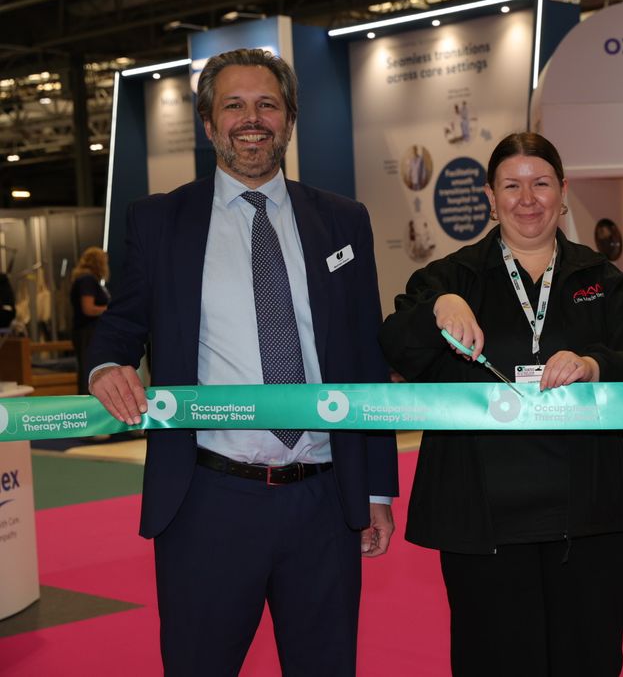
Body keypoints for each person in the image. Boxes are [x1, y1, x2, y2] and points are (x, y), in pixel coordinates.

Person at [87, 49, 398, 677]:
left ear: (289, 121)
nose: (251, 119)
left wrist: (374, 488)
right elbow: (122, 324)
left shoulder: (344, 220)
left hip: (325, 499)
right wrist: (106, 367)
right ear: (208, 123)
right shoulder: (159, 220)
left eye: (267, 105)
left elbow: (365, 355)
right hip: (208, 500)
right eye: (233, 105)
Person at [379, 132, 623, 676]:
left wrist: (594, 364)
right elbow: (395, 346)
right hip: (483, 525)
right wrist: (438, 308)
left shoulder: (602, 280)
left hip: (589, 518)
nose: (527, 199)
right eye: (511, 186)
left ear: (563, 191)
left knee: (589, 659)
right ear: (490, 196)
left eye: (541, 184)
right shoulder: (451, 276)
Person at [69, 246, 110, 394]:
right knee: (89, 370)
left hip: (87, 331)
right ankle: (87, 400)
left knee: (88, 369)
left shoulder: (86, 279)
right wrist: (110, 310)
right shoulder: (87, 280)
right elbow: (88, 309)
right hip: (88, 332)